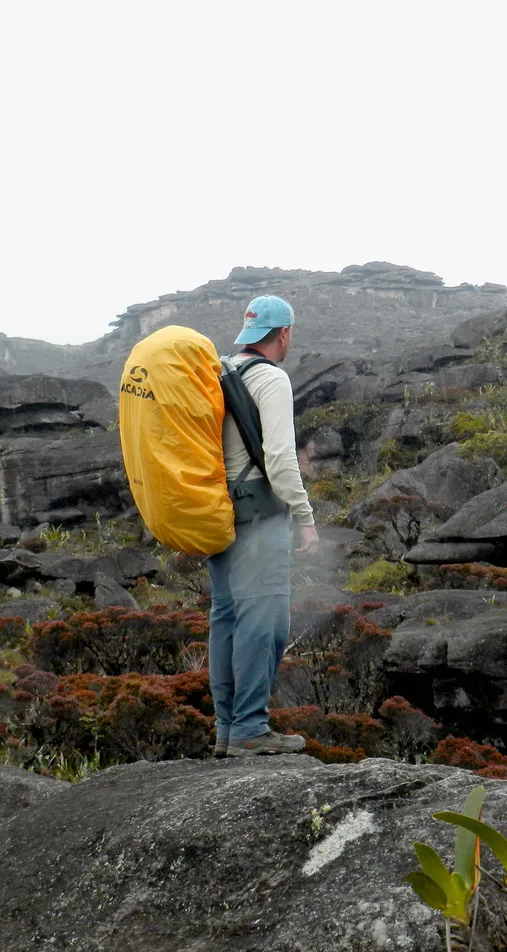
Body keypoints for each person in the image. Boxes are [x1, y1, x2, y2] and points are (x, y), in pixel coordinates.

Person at [210, 294, 319, 757]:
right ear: (284, 333)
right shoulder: (270, 380)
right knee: (265, 619)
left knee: (228, 617)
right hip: (259, 515)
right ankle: (250, 729)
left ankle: (226, 730)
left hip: (218, 514)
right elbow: (278, 457)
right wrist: (305, 518)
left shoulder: (220, 373)